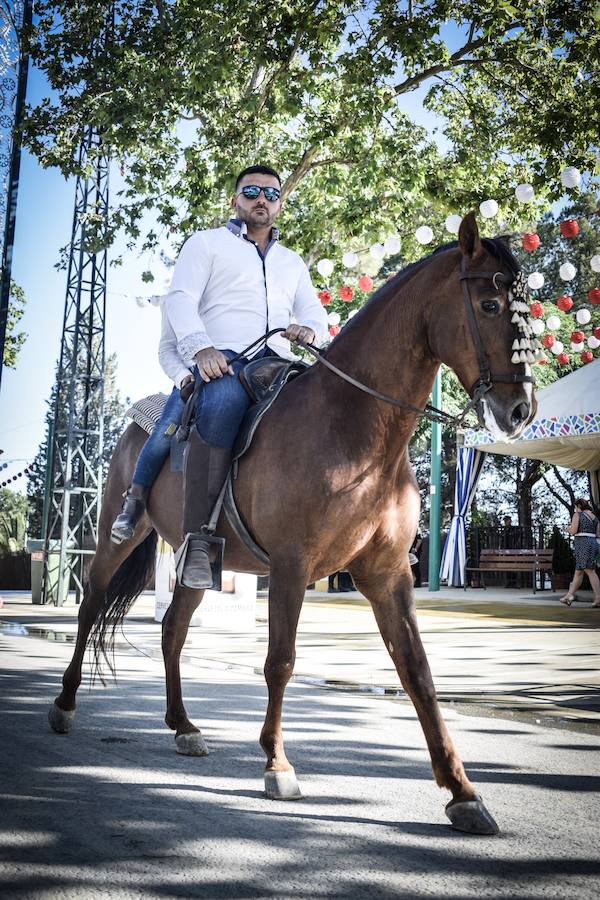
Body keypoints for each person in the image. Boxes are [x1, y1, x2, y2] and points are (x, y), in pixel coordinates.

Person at [164, 164, 328, 588]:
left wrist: (309, 329)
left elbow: (314, 312)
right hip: (225, 362)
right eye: (252, 191)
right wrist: (201, 348)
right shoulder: (206, 244)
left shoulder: (291, 263)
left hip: (279, 363)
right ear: (235, 200)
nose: (262, 199)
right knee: (220, 407)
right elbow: (180, 299)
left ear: (279, 205)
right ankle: (197, 541)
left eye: (271, 194)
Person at [110, 298, 194, 543]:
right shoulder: (176, 298)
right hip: (192, 379)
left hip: (256, 368)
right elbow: (167, 350)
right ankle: (133, 504)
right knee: (163, 434)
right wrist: (184, 377)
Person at [560, 498, 600, 607]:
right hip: (593, 544)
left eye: (576, 507)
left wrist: (566, 529)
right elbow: (598, 534)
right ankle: (569, 595)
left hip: (583, 545)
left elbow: (573, 530)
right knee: (579, 571)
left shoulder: (577, 515)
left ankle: (598, 598)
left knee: (590, 571)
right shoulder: (594, 517)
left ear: (578, 506)